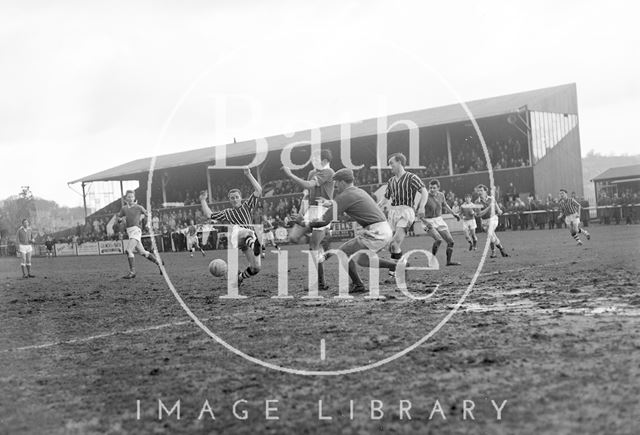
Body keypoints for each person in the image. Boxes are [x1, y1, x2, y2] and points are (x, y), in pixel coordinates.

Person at [311, 168, 398, 293]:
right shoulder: (358, 191)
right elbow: (345, 202)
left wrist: (304, 222)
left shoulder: (345, 195)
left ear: (342, 182)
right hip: (384, 229)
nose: (335, 186)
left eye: (336, 182)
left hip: (376, 231)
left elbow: (324, 221)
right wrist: (331, 203)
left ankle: (358, 285)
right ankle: (398, 266)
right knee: (363, 260)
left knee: (343, 253)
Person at [200, 167, 262, 287]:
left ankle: (239, 278)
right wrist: (203, 200)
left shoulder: (247, 206)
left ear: (240, 198)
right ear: (229, 200)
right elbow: (209, 215)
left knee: (256, 268)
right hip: (237, 237)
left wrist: (249, 174)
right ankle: (255, 245)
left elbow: (258, 190)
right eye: (232, 198)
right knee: (245, 232)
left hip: (248, 239)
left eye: (236, 197)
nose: (234, 200)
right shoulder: (227, 212)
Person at [282, 149, 334, 290]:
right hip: (310, 210)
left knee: (313, 248)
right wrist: (300, 213)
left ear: (324, 161)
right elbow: (306, 194)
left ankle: (321, 283)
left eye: (315, 159)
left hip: (322, 211)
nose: (312, 161)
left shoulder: (329, 172)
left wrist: (291, 174)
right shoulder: (312, 173)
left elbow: (309, 185)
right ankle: (325, 242)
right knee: (293, 237)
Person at [379, 153, 428, 271]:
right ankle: (404, 264)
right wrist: (377, 207)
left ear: (400, 162)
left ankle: (394, 270)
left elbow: (424, 191)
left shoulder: (411, 177)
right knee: (391, 245)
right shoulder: (391, 181)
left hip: (406, 211)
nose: (390, 166)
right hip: (393, 212)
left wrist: (421, 207)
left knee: (395, 242)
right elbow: (385, 198)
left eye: (392, 163)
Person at [117, 191, 163, 279]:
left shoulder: (139, 207)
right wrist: (119, 220)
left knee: (128, 250)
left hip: (136, 230)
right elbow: (119, 218)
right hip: (130, 231)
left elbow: (147, 214)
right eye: (128, 197)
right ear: (126, 199)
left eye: (132, 197)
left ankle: (132, 272)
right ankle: (159, 264)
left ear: (134, 198)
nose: (130, 198)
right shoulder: (124, 209)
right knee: (143, 252)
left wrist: (149, 217)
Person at [420, 179, 461, 266]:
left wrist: (454, 214)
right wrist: (425, 222)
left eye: (434, 188)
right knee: (438, 239)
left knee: (450, 242)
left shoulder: (441, 195)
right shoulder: (425, 196)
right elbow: (418, 212)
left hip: (439, 220)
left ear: (438, 188)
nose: (431, 189)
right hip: (428, 221)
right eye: (430, 187)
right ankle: (431, 261)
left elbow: (445, 205)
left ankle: (448, 262)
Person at [475, 184, 509, 258]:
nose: (479, 192)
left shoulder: (491, 198)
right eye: (478, 191)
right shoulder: (477, 202)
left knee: (490, 233)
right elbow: (479, 214)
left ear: (485, 191)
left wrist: (499, 210)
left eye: (481, 190)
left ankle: (495, 251)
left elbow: (497, 206)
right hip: (484, 221)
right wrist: (489, 207)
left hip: (493, 219)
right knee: (491, 236)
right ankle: (501, 248)